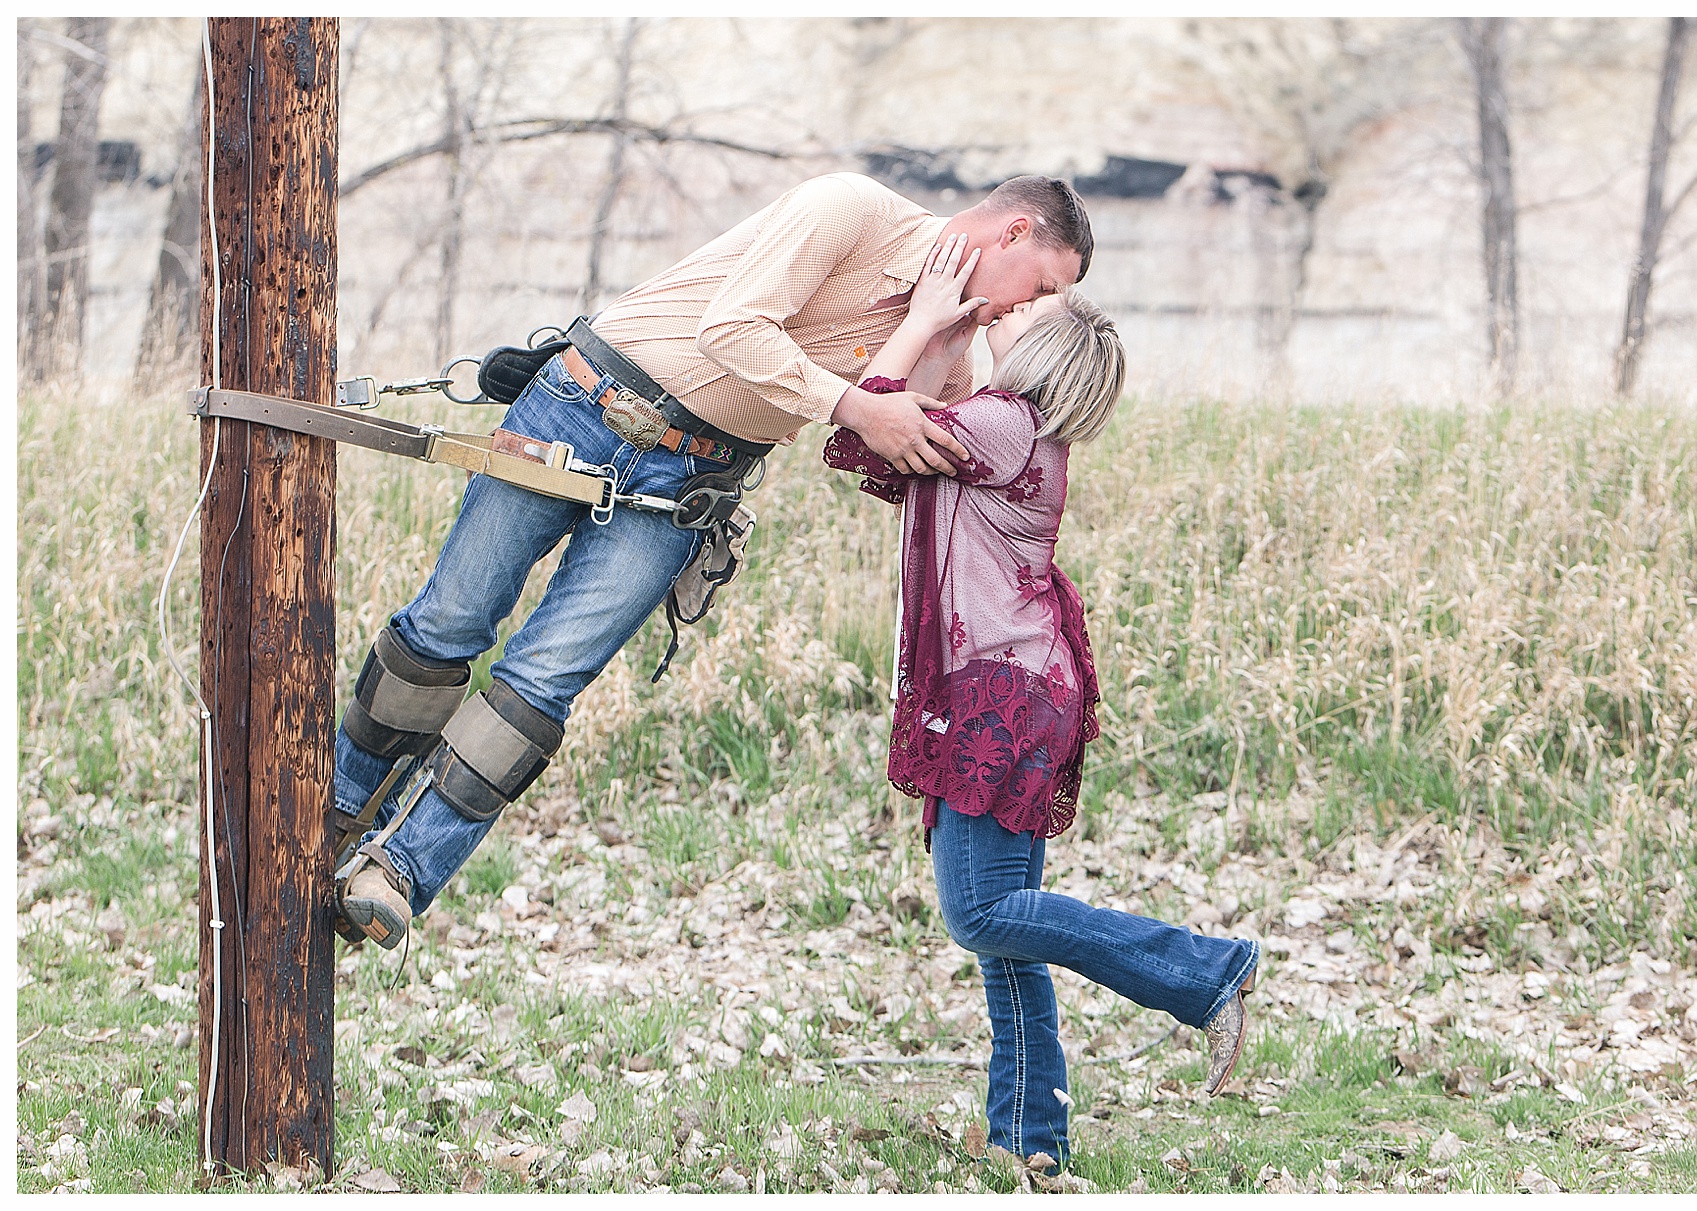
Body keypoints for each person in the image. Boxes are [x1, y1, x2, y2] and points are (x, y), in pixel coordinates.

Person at [333, 171, 1096, 951]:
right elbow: (732, 329)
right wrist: (857, 402)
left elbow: (873, 448)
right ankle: (334, 812)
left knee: (541, 685)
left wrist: (939, 343)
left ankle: (396, 871)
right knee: (447, 625)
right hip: (587, 405)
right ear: (1013, 232)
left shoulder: (955, 348)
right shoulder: (854, 210)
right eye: (1038, 287)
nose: (1022, 312)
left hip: (692, 482)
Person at [822, 244, 1259, 1173]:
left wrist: (921, 322)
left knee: (982, 912)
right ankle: (1032, 1140)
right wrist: (946, 331)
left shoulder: (1008, 425)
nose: (1019, 308)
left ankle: (1202, 971)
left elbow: (859, 430)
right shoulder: (999, 429)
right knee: (1006, 924)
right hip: (1011, 688)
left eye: (1037, 313)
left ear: (1048, 358)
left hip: (999, 695)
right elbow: (906, 435)